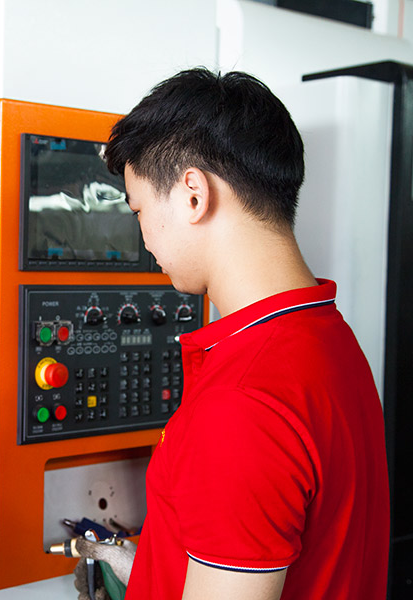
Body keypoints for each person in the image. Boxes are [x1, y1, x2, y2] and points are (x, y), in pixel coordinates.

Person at [74, 68, 390, 600]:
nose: (144, 238)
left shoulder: (241, 403)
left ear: (193, 196)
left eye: (140, 209)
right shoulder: (329, 340)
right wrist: (153, 572)